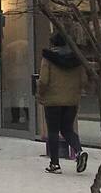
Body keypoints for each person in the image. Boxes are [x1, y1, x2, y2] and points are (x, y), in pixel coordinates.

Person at [38, 32, 89, 174]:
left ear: (52, 43)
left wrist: (40, 94)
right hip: (71, 100)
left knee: (53, 131)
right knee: (67, 129)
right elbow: (84, 80)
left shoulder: (48, 59)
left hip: (52, 100)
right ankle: (79, 151)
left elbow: (43, 81)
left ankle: (55, 164)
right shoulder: (77, 59)